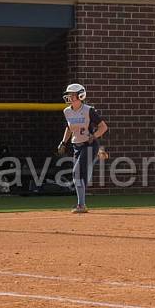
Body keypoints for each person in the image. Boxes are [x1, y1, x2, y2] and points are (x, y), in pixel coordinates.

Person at [58, 83, 108, 213]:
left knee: (76, 172)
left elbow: (103, 127)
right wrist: (63, 142)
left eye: (73, 95)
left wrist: (94, 136)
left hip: (89, 144)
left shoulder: (88, 110)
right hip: (77, 146)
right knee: (83, 177)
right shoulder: (67, 111)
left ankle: (81, 206)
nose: (70, 97)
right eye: (69, 95)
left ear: (81, 95)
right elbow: (69, 128)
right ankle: (82, 204)